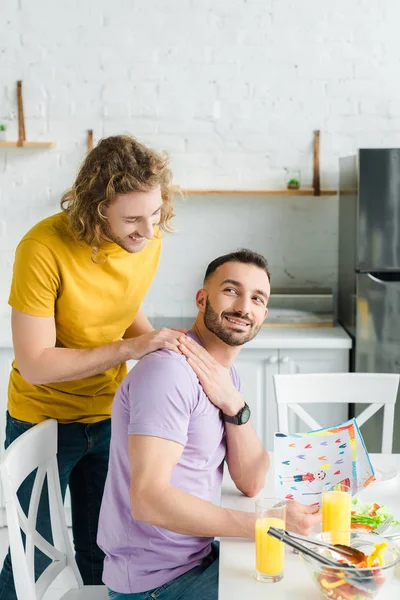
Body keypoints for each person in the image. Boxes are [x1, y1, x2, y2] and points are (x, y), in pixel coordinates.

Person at [0, 135, 188, 599]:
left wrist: (166, 348)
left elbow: (123, 312)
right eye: (132, 219)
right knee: (35, 557)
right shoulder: (42, 249)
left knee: (103, 550)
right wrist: (133, 348)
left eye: (156, 214)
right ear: (98, 206)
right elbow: (36, 364)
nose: (147, 231)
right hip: (41, 421)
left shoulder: (146, 236)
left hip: (108, 416)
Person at [97, 249, 321, 600]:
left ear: (264, 314)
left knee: (314, 577)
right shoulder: (168, 372)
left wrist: (236, 404)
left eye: (257, 298)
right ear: (202, 299)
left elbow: (251, 481)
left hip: (196, 559)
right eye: (231, 291)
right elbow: (148, 500)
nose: (243, 308)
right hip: (156, 585)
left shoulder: (222, 373)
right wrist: (268, 525)